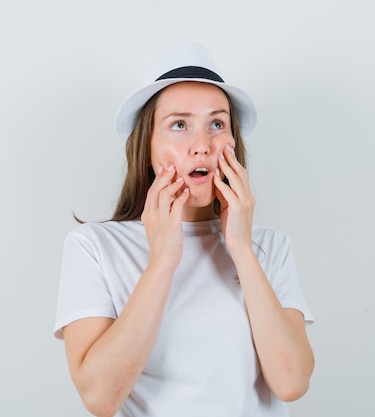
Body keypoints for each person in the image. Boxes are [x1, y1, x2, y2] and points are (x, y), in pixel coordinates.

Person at [54, 42, 314, 417]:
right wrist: (162, 260)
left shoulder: (270, 247)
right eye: (179, 125)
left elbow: (291, 383)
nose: (202, 146)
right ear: (144, 147)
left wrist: (241, 247)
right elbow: (100, 396)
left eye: (217, 124)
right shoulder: (95, 247)